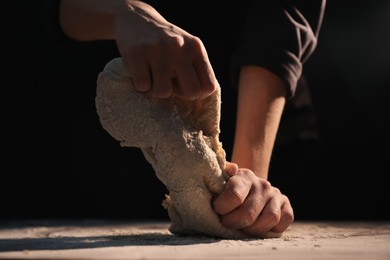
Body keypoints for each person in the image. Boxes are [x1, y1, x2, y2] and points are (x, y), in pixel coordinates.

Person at [16, 0, 325, 236]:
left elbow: (279, 26)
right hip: (86, 153)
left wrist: (245, 185)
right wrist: (125, 11)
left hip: (256, 116)